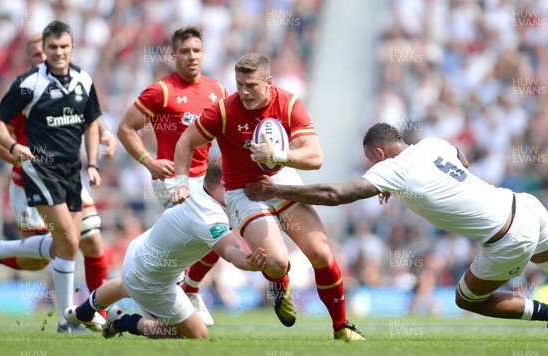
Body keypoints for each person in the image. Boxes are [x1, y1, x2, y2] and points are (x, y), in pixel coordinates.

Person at [245, 122, 548, 341]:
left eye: (371, 162)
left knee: (468, 299)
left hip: (507, 237)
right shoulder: (433, 145)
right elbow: (463, 161)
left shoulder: (395, 169)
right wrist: (401, 185)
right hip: (525, 205)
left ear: (379, 153)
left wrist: (277, 191)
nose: (373, 170)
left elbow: (337, 195)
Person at [171, 53, 365, 341]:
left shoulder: (287, 103)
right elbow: (186, 141)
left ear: (268, 82)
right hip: (242, 192)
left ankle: (342, 327)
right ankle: (279, 281)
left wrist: (278, 155)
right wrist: (181, 181)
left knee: (321, 253)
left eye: (251, 85)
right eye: (239, 85)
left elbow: (315, 157)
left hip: (280, 180)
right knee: (276, 261)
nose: (244, 92)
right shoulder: (224, 111)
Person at [64, 156, 267, 339]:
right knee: (197, 334)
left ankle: (82, 312)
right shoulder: (210, 217)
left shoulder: (194, 184)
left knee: (126, 284)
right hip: (151, 281)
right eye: (239, 182)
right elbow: (230, 251)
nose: (244, 189)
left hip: (139, 252)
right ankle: (122, 323)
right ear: (223, 185)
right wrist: (249, 262)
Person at [0, 21, 102, 333]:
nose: (57, 53)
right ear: (43, 51)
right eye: (51, 47)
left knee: (67, 244)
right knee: (67, 240)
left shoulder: (84, 78)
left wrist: (92, 163)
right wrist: (14, 147)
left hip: (72, 173)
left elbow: (92, 122)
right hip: (40, 171)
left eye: (63, 46)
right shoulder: (29, 83)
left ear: (72, 47)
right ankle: (68, 320)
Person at [117, 26, 226, 327]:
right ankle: (183, 288)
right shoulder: (162, 91)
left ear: (204, 53)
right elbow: (125, 128)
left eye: (196, 50)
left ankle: (184, 287)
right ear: (173, 54)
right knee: (214, 228)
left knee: (220, 230)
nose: (192, 56)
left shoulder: (217, 91)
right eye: (185, 51)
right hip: (171, 179)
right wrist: (148, 161)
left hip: (204, 180)